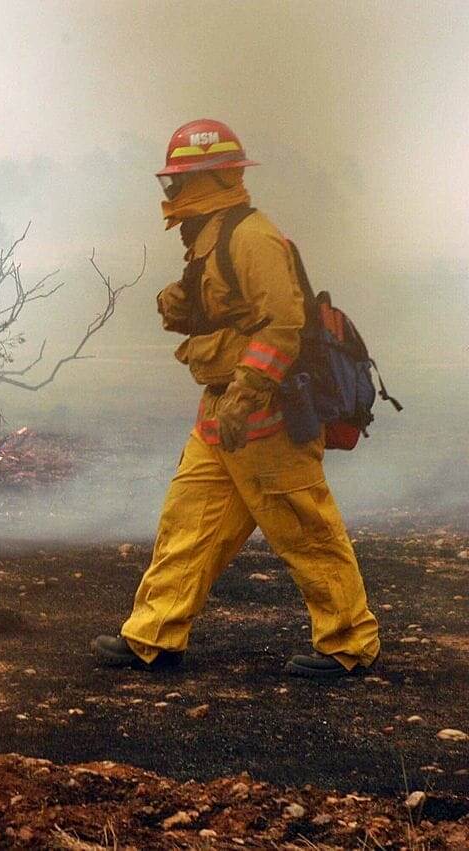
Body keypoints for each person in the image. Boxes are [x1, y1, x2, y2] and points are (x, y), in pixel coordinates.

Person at [92, 119, 380, 680]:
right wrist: (183, 305)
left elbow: (282, 327)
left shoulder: (253, 238)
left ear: (214, 177)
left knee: (304, 527)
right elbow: (229, 313)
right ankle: (154, 636)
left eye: (182, 179)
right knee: (189, 522)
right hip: (221, 411)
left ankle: (348, 644)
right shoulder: (210, 237)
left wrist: (243, 399)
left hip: (263, 413)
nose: (172, 193)